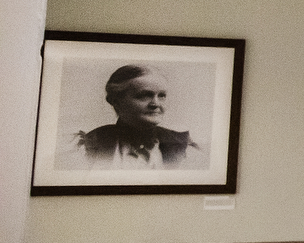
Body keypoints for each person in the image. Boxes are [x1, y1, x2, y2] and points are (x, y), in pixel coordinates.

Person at [65, 65, 202, 168]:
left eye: (161, 96)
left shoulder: (182, 145)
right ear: (116, 101)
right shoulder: (89, 145)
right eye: (144, 95)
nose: (155, 104)